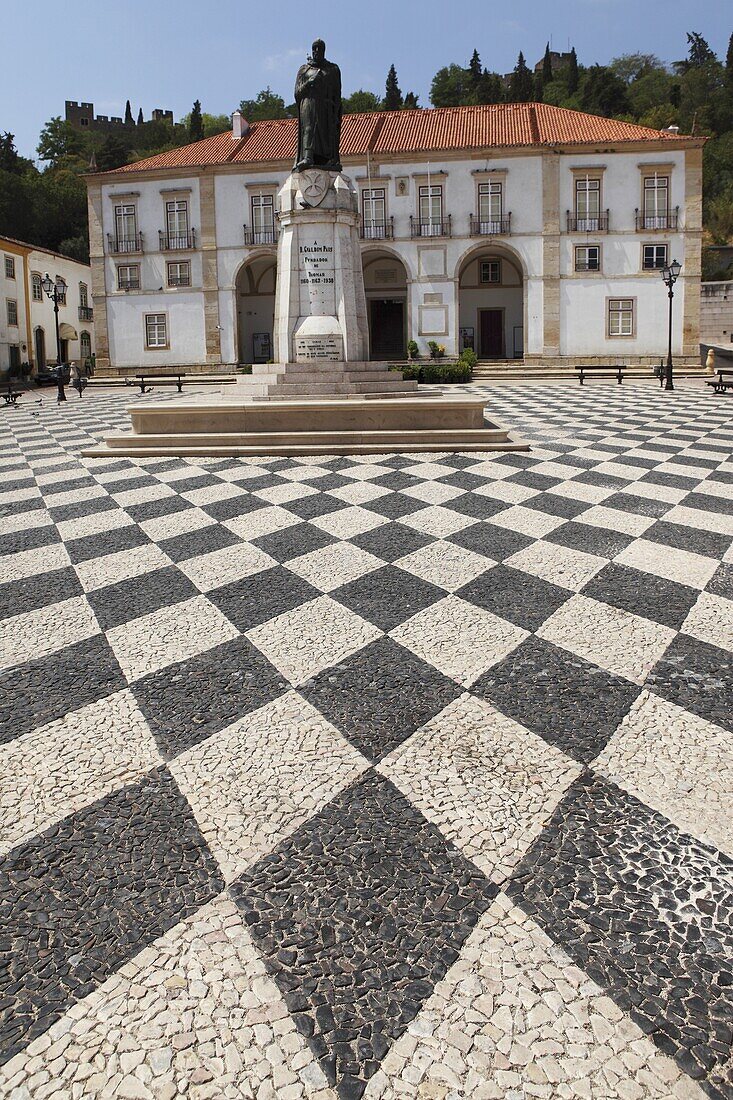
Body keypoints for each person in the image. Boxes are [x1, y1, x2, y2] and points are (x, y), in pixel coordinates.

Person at [293, 40, 342, 173]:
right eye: (314, 48)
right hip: (308, 104)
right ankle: (307, 157)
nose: (316, 51)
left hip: (326, 108)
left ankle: (328, 159)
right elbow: (297, 93)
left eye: (319, 49)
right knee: (308, 129)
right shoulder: (304, 70)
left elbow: (337, 94)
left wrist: (336, 113)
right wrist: (309, 83)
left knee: (325, 135)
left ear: (324, 51)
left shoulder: (333, 69)